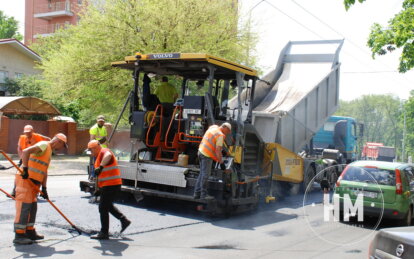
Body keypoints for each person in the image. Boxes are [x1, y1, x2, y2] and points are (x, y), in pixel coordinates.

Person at [13, 133, 68, 245]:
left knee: (32, 207)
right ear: (59, 141)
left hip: (34, 182)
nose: (61, 148)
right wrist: (25, 170)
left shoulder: (48, 151)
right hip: (26, 180)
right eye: (62, 145)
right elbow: (25, 151)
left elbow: (44, 171)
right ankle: (19, 235)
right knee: (24, 207)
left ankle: (29, 231)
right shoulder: (44, 144)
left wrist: (44, 188)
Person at [87, 140, 131, 240]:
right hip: (108, 185)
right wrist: (98, 188)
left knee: (102, 208)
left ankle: (104, 232)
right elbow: (99, 175)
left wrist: (101, 167)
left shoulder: (104, 151)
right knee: (107, 205)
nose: (91, 152)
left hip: (112, 185)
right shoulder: (97, 158)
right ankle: (124, 220)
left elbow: (108, 156)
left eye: (91, 150)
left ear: (95, 147)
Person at [193, 122, 232, 200]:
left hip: (200, 152)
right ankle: (203, 195)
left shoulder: (213, 127)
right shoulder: (220, 135)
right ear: (225, 128)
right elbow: (218, 151)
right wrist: (221, 163)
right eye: (228, 131)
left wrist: (222, 150)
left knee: (201, 174)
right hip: (207, 155)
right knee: (205, 175)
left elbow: (211, 141)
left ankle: (197, 194)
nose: (227, 133)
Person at [11, 125, 50, 198]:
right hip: (24, 157)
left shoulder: (38, 136)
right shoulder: (22, 137)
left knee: (43, 172)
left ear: (32, 131)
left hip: (35, 159)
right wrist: (22, 158)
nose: (27, 134)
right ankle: (14, 191)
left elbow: (49, 140)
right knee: (18, 173)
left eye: (29, 132)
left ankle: (42, 189)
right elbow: (19, 148)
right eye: (26, 132)